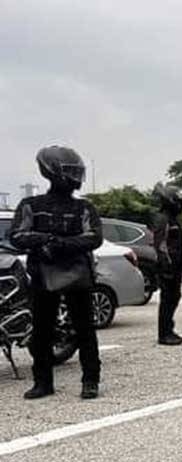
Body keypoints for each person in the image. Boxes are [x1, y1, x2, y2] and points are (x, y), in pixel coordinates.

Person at [11, 146, 103, 400]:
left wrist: (58, 244)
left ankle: (91, 380)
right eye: (69, 172)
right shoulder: (31, 204)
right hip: (43, 275)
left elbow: (94, 237)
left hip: (78, 276)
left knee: (85, 330)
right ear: (52, 172)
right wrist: (47, 240)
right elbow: (18, 235)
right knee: (42, 331)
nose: (74, 178)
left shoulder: (84, 207)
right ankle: (42, 381)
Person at [151, 182, 182, 346]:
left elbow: (177, 245)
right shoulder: (163, 220)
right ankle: (164, 334)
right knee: (168, 299)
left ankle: (169, 329)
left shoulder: (172, 220)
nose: (181, 205)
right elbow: (161, 245)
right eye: (179, 202)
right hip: (167, 268)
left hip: (174, 266)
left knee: (174, 297)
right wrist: (167, 267)